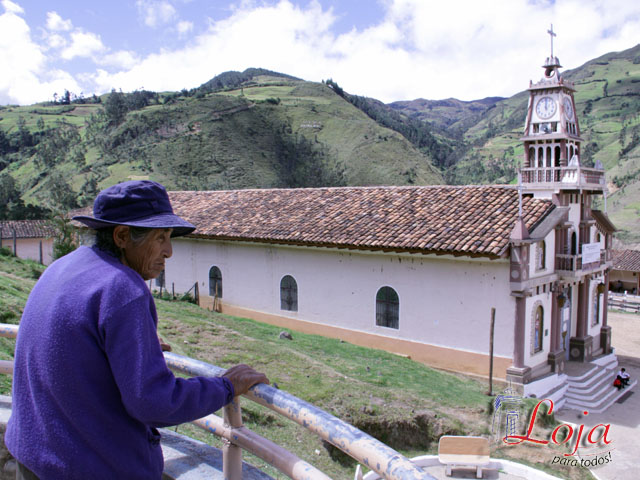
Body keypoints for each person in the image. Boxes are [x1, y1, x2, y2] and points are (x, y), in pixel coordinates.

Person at [6, 180, 269, 479]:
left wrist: (137, 346)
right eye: (159, 238)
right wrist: (226, 386)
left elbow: (77, 345)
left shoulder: (64, 266)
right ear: (121, 236)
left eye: (169, 238)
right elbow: (154, 402)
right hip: (88, 468)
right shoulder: (122, 287)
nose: (169, 251)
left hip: (34, 455)